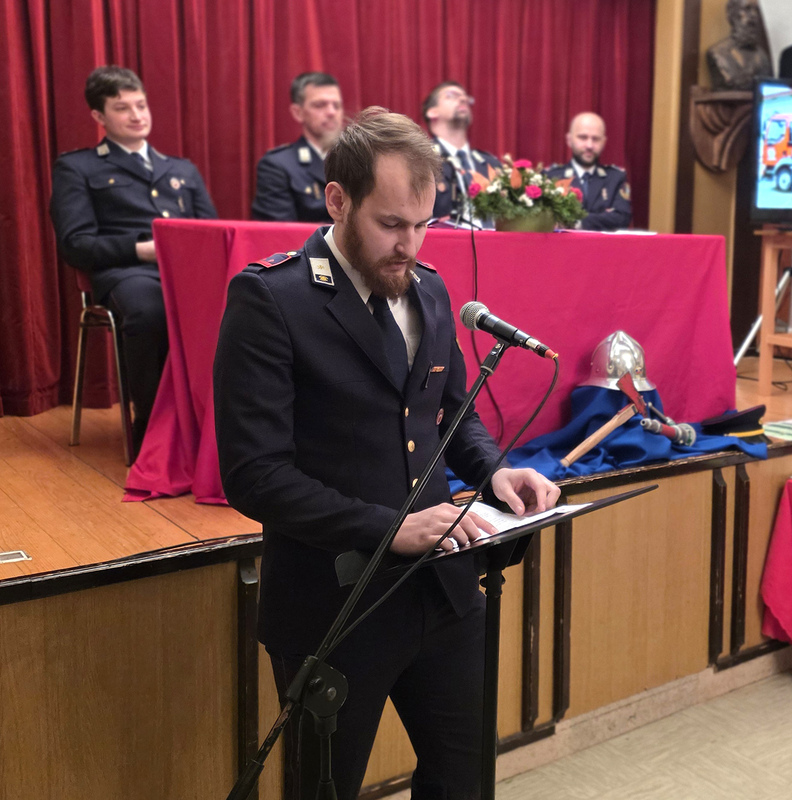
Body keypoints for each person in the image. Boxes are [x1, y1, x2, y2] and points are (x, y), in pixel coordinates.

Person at [213, 107, 559, 800]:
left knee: (464, 781)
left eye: (424, 224)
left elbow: (453, 414)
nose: (410, 244)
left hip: (443, 588)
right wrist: (389, 527)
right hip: (334, 602)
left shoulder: (429, 288)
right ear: (337, 200)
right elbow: (254, 475)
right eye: (392, 223)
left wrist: (496, 472)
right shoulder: (272, 298)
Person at [50, 65, 217, 455]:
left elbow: (210, 229)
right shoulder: (77, 167)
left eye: (141, 105)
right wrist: (141, 249)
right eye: (122, 108)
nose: (137, 115)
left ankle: (215, 422)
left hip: (185, 272)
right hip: (126, 273)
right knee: (150, 310)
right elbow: (75, 244)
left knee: (243, 304)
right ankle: (152, 424)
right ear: (99, 116)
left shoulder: (181, 169)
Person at [251, 72, 344, 222]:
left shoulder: (357, 160)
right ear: (298, 113)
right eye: (320, 105)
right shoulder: (278, 165)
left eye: (336, 105)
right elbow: (279, 231)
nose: (331, 112)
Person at [421, 81, 501, 222]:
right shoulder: (422, 159)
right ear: (432, 112)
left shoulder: (491, 164)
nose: (463, 99)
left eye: (465, 97)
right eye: (451, 95)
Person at [544, 112, 632, 231]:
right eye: (583, 137)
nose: (589, 145)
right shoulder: (551, 176)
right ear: (569, 140)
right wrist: (601, 219)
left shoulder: (615, 178)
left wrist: (578, 222)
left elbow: (622, 218)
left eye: (596, 139)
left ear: (604, 142)